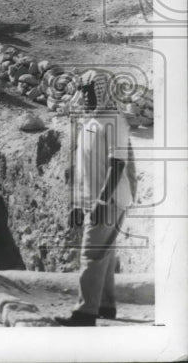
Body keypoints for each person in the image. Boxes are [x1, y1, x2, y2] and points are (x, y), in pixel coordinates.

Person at [56, 69, 136, 326]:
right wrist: (79, 203)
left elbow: (118, 164)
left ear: (101, 91)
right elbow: (84, 169)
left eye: (89, 91)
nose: (84, 95)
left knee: (91, 253)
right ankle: (105, 305)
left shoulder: (114, 120)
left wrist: (102, 201)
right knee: (105, 253)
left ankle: (85, 312)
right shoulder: (90, 123)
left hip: (108, 200)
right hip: (95, 200)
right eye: (83, 90)